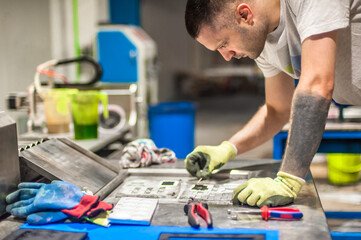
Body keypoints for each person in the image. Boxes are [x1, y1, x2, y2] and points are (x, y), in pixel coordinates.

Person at [184, 0, 361, 207]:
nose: (226, 56)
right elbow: (278, 110)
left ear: (244, 14)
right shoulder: (262, 37)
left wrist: (288, 179)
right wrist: (228, 148)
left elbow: (317, 85)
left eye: (223, 43)